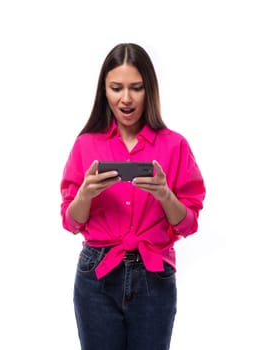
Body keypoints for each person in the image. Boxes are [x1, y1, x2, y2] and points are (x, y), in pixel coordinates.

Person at [59, 43, 206, 350]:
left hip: (154, 276)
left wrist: (165, 195)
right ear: (104, 91)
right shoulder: (86, 144)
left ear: (149, 90)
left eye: (136, 88)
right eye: (116, 88)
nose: (126, 98)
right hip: (96, 275)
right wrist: (85, 194)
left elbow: (189, 225)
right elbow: (71, 222)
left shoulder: (175, 145)